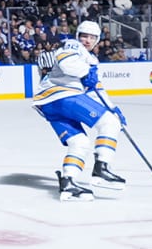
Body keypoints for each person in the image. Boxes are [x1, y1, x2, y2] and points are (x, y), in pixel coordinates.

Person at [31, 19, 125, 201]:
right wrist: (85, 72)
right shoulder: (72, 45)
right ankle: (102, 169)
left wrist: (112, 108)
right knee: (109, 124)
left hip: (49, 104)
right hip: (62, 95)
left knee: (80, 142)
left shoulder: (91, 59)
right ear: (77, 36)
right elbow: (66, 62)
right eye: (84, 36)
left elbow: (96, 90)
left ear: (97, 40)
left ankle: (68, 183)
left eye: (92, 37)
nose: (87, 40)